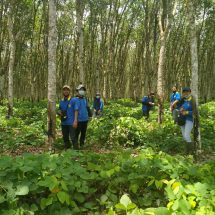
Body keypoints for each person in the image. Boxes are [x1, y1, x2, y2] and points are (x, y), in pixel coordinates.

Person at [58, 85, 79, 149]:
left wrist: (75, 121)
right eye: (64, 90)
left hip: (71, 122)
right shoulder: (61, 101)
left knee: (73, 137)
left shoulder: (73, 100)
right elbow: (60, 109)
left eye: (67, 90)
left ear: (69, 91)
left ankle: (76, 150)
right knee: (65, 137)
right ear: (62, 91)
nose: (66, 91)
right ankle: (67, 148)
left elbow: (76, 110)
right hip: (64, 122)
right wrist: (59, 112)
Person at [178, 87, 195, 155]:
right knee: (184, 136)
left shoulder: (192, 100)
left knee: (186, 135)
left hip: (189, 119)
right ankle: (186, 152)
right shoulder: (183, 100)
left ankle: (191, 152)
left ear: (190, 92)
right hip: (182, 120)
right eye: (184, 92)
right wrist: (180, 109)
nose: (186, 93)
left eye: (187, 91)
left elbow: (195, 112)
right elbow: (178, 107)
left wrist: (187, 112)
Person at [74, 84, 90, 149]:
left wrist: (90, 115)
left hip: (85, 119)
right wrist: (75, 120)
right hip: (78, 120)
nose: (82, 91)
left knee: (83, 133)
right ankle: (75, 146)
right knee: (77, 134)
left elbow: (87, 107)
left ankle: (82, 145)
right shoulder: (75, 99)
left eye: (83, 90)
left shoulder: (85, 99)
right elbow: (75, 110)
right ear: (77, 91)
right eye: (80, 90)